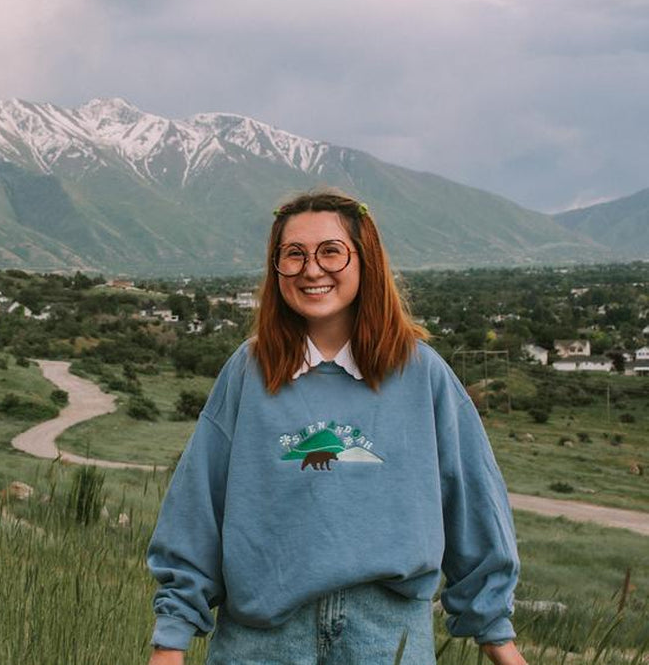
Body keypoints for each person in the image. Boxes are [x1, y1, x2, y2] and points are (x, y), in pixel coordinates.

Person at [146, 189, 527, 665]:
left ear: (365, 260)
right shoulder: (248, 371)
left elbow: (472, 499)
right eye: (293, 254)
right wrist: (171, 638)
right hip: (262, 638)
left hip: (386, 635)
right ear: (276, 267)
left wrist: (495, 633)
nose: (311, 269)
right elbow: (199, 502)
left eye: (330, 251)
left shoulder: (421, 373)